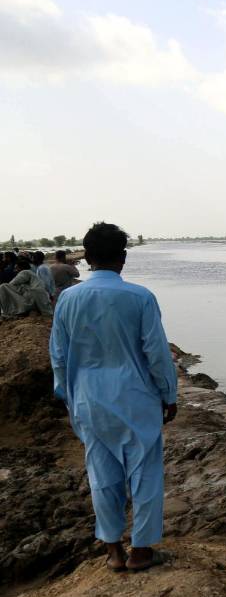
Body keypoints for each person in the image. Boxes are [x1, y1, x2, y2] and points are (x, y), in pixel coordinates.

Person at [50, 222, 178, 572]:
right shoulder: (140, 297)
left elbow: (58, 355)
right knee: (145, 472)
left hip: (88, 398)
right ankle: (141, 550)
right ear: (123, 257)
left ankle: (113, 551)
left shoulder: (67, 299)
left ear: (86, 257)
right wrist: (169, 394)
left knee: (101, 472)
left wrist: (65, 394)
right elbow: (156, 353)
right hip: (136, 396)